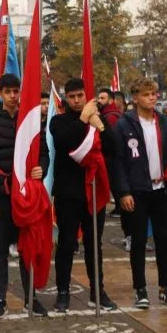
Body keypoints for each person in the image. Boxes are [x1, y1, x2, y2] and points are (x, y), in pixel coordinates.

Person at [0, 73, 49, 318]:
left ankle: (31, 298)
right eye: (7, 91)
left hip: (26, 197)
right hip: (0, 197)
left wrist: (42, 168)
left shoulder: (30, 122)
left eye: (16, 91)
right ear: (0, 93)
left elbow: (44, 153)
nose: (12, 96)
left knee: (27, 247)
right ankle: (0, 299)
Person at [49, 78, 117, 313]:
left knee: (93, 244)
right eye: (72, 97)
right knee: (67, 244)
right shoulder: (58, 121)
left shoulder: (96, 119)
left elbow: (113, 147)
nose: (77, 100)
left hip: (93, 192)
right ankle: (63, 291)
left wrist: (98, 123)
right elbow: (65, 141)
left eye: (80, 95)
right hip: (68, 193)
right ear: (66, 98)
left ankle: (98, 290)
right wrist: (83, 118)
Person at [112, 78, 167, 309]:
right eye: (146, 94)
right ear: (135, 98)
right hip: (138, 191)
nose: (152, 97)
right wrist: (123, 192)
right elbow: (118, 162)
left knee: (163, 240)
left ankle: (165, 288)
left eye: (154, 93)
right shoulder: (124, 124)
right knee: (138, 241)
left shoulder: (164, 122)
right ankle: (140, 289)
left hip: (162, 190)